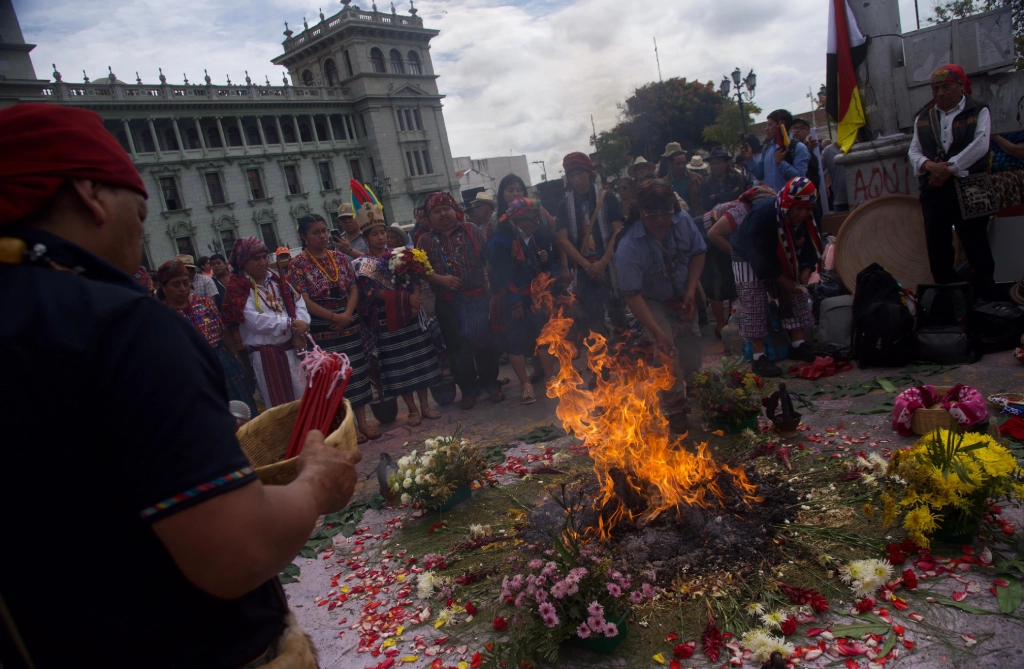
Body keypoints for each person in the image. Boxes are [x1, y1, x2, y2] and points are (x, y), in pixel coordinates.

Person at [0, 102, 360, 668]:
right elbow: (236, 551)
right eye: (137, 205)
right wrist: (316, 482)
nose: (141, 223)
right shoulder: (121, 326)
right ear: (92, 192)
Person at [613, 178, 706, 404]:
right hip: (650, 300)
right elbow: (632, 295)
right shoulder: (628, 246)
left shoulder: (682, 221)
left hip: (684, 292)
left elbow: (698, 253)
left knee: (691, 347)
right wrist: (656, 332)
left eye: (666, 213)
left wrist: (691, 290)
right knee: (666, 353)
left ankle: (699, 394)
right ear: (641, 212)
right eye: (652, 215)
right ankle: (675, 407)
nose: (662, 220)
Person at [289, 214, 379, 442]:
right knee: (334, 377)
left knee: (356, 372)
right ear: (304, 236)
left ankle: (363, 423)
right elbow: (303, 300)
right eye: (315, 232)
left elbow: (353, 288)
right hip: (323, 326)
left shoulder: (339, 258)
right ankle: (346, 428)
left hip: (348, 322)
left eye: (324, 231)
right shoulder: (297, 265)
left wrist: (347, 314)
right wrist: (333, 316)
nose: (322, 236)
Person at [908, 64, 994, 299]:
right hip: (934, 191)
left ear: (961, 87)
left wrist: (950, 168)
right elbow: (914, 151)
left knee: (977, 245)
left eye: (946, 87)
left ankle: (986, 302)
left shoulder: (979, 109)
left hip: (972, 186)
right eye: (936, 89)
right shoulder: (923, 116)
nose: (940, 93)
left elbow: (981, 144)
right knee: (938, 248)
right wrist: (929, 166)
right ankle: (953, 301)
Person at [354, 202, 443, 424]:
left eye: (382, 232)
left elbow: (414, 278)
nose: (380, 237)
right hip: (387, 320)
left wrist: (415, 300)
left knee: (419, 359)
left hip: (411, 316)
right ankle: (412, 408)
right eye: (375, 234)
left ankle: (425, 405)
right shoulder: (362, 264)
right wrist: (406, 298)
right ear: (366, 238)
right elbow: (371, 292)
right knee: (400, 365)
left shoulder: (401, 254)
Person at [726, 177, 821, 376]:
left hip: (783, 255)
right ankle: (759, 357)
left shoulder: (807, 217)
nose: (803, 214)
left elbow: (810, 246)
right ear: (788, 204)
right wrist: (784, 281)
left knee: (796, 294)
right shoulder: (765, 214)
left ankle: (798, 344)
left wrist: (804, 271)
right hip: (748, 255)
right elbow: (760, 257)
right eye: (798, 209)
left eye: (807, 209)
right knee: (754, 301)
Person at [416, 191, 502, 409]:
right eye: (436, 211)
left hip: (477, 298)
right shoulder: (424, 240)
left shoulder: (471, 230)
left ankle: (491, 384)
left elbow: (490, 258)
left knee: (485, 344)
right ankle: (468, 390)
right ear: (429, 216)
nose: (443, 214)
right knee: (457, 348)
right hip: (448, 302)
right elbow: (420, 270)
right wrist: (440, 279)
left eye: (446, 208)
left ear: (455, 210)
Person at [157, 258, 258, 418]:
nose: (183, 288)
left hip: (222, 362)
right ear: (163, 287)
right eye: (175, 285)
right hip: (191, 371)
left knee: (243, 410)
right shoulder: (161, 315)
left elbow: (223, 333)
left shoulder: (205, 304)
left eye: (186, 282)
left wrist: (236, 358)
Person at [221, 237, 311, 408]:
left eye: (264, 257)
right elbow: (254, 321)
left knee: (304, 402)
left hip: (292, 349)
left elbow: (298, 303)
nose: (263, 262)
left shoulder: (277, 280)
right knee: (280, 409)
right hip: (266, 357)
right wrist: (290, 324)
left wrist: (300, 327)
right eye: (256, 259)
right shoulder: (238, 289)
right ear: (243, 262)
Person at [487, 198, 558, 404]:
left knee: (543, 336)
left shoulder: (533, 235)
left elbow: (545, 263)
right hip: (513, 298)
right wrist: (514, 301)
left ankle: (549, 377)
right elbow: (500, 274)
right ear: (520, 220)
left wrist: (545, 258)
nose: (536, 224)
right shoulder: (500, 239)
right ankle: (526, 384)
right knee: (515, 341)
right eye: (533, 220)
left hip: (536, 295)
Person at [554, 152, 625, 339]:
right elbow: (563, 240)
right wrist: (588, 266)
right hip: (584, 273)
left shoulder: (608, 198)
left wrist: (602, 263)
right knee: (594, 325)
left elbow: (618, 231)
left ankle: (626, 361)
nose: (576, 179)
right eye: (572, 175)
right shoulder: (564, 205)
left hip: (610, 267)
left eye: (580, 174)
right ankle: (600, 365)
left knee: (620, 320)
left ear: (589, 173)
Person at [740, 109, 810, 191]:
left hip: (789, 202)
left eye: (770, 125)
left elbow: (800, 181)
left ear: (781, 124)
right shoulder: (767, 149)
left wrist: (781, 163)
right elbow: (760, 175)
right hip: (771, 200)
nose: (766, 129)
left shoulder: (798, 148)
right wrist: (750, 159)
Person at [790, 118, 824, 221]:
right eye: (795, 127)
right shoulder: (788, 150)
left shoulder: (816, 148)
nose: (797, 130)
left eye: (801, 128)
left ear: (808, 131)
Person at [658, 142, 704, 216]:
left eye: (683, 163)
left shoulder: (697, 179)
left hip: (696, 220)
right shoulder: (664, 183)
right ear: (670, 164)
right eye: (678, 163)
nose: (681, 166)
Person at [700, 147, 744, 212]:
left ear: (726, 164)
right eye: (713, 163)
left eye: (719, 162)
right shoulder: (706, 183)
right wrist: (730, 194)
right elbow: (706, 205)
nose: (716, 166)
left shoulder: (736, 179)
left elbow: (739, 197)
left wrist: (715, 197)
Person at [991, 132, 1024, 208]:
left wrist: (996, 137)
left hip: (1014, 175)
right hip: (995, 178)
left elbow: (1019, 152)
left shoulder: (1018, 130)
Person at [820, 142, 849, 212]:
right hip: (840, 202)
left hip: (860, 200)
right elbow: (818, 170)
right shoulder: (828, 150)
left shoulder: (859, 146)